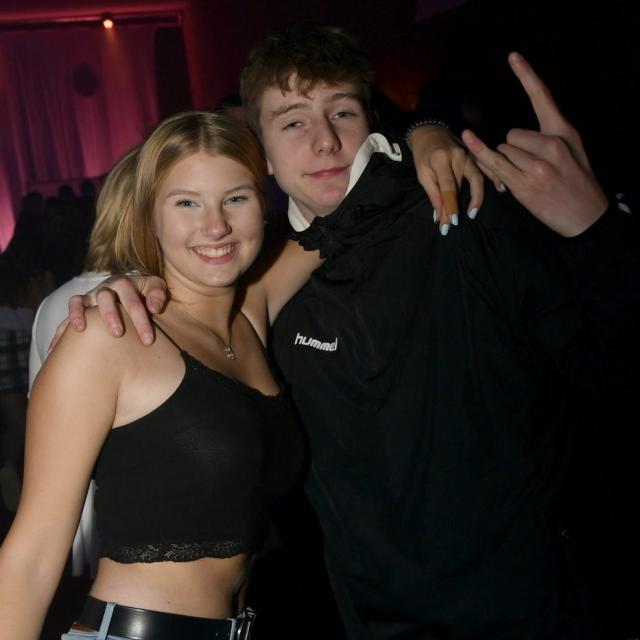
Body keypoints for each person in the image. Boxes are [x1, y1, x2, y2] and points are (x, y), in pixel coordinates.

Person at [65, 26, 638, 639]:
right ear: (261, 154)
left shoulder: (464, 214)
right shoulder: (262, 293)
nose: (325, 141)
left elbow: (617, 373)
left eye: (342, 112)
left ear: (371, 124)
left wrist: (595, 228)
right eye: (292, 122)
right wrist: (136, 287)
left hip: (541, 616)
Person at [0, 111, 320, 640]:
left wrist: (424, 133)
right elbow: (30, 555)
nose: (215, 226)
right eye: (186, 203)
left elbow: (342, 211)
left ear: (264, 206)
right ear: (150, 215)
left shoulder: (250, 316)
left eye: (236, 198)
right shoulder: (107, 335)